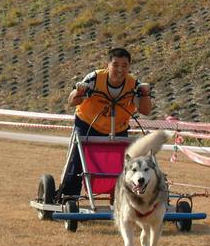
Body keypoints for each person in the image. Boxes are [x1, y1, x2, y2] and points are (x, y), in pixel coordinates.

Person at [57, 47, 152, 200]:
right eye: (115, 65)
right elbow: (71, 101)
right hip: (88, 124)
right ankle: (69, 197)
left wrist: (145, 93)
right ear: (107, 65)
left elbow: (146, 110)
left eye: (124, 65)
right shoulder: (94, 78)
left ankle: (121, 198)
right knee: (77, 162)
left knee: (125, 166)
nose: (120, 70)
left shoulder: (134, 85)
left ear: (129, 66)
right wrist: (80, 91)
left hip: (119, 128)